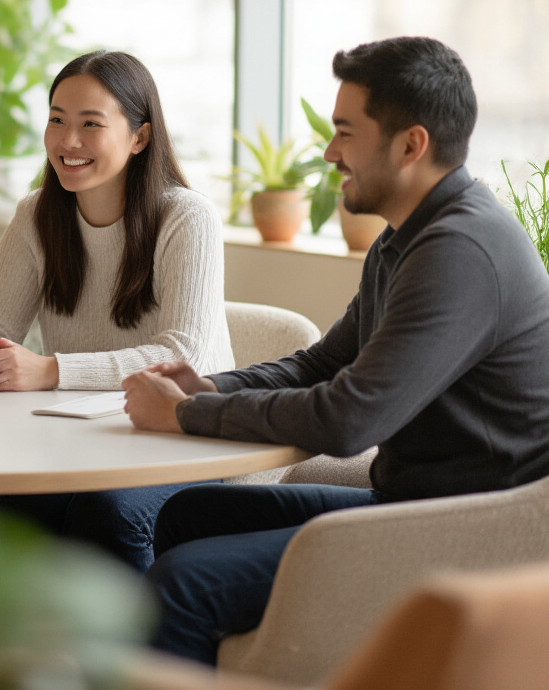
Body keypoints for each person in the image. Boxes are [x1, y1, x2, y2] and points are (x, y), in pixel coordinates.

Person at [123, 36, 549, 664]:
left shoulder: (460, 252)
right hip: (413, 505)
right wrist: (212, 388)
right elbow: (322, 364)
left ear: (411, 144)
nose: (329, 152)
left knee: (179, 586)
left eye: (345, 132)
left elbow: (350, 419)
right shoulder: (405, 238)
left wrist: (185, 416)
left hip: (473, 531)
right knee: (188, 514)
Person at [0, 50, 234, 571]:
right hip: (85, 440)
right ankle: (23, 654)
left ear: (140, 137)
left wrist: (51, 369)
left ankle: (140, 654)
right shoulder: (38, 213)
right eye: (56, 120)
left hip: (189, 438)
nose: (67, 141)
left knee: (107, 512)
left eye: (90, 124)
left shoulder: (188, 217)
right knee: (21, 505)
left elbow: (180, 354)